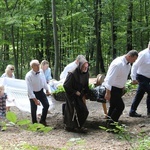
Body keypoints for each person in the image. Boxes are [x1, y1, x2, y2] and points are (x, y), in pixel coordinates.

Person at [103, 50, 138, 128]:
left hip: (119, 88)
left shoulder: (128, 65)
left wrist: (123, 86)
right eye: (134, 59)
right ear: (129, 56)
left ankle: (109, 124)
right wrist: (108, 92)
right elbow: (109, 79)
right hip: (112, 88)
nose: (134, 61)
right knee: (120, 106)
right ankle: (112, 126)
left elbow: (122, 77)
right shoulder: (118, 64)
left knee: (113, 106)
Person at [63, 58, 89, 133]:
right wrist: (74, 92)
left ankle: (79, 126)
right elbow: (66, 85)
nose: (85, 69)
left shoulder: (86, 73)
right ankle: (69, 126)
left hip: (79, 94)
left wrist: (87, 93)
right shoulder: (72, 74)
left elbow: (85, 85)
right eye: (84, 67)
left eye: (87, 67)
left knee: (84, 111)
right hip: (71, 95)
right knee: (71, 111)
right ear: (80, 66)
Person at [25, 59, 51, 126]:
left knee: (46, 105)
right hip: (33, 93)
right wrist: (35, 100)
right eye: (36, 65)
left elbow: (44, 81)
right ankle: (35, 123)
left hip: (41, 91)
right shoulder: (28, 76)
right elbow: (29, 89)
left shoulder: (41, 72)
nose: (38, 66)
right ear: (32, 67)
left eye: (38, 64)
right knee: (34, 108)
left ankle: (42, 120)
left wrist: (47, 89)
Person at [129, 41, 150, 118]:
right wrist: (133, 78)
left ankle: (132, 111)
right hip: (141, 76)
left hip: (149, 77)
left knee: (140, 94)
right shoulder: (143, 54)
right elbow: (135, 65)